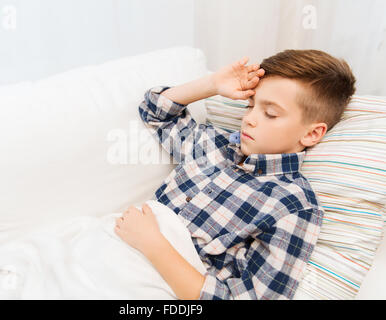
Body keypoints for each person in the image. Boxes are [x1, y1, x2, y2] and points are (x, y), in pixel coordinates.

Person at [114, 49, 356, 300]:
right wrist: (212, 85)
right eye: (250, 106)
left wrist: (152, 244)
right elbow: (155, 110)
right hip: (113, 246)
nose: (249, 119)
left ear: (312, 134)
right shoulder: (210, 144)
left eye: (270, 113)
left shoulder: (293, 206)